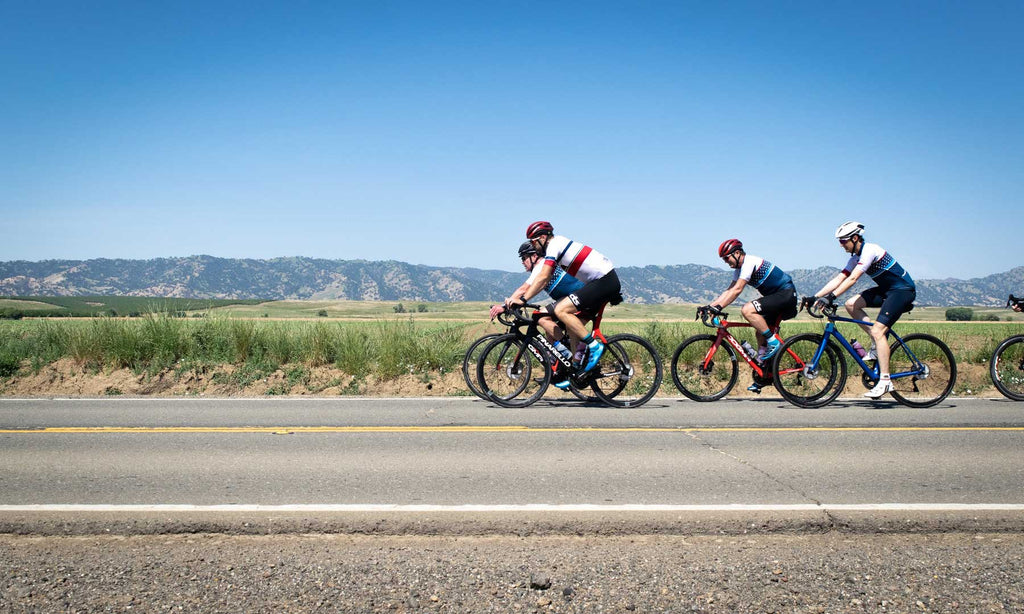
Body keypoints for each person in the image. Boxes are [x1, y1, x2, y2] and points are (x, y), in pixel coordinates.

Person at [806, 221, 916, 399]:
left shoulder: (870, 250)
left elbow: (853, 279)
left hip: (902, 291)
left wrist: (831, 297)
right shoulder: (855, 257)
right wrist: (816, 296)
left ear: (855, 238)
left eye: (843, 241)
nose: (841, 245)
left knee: (879, 331)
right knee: (851, 304)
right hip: (887, 290)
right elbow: (840, 278)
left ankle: (886, 380)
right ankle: (875, 342)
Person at [510, 221, 621, 376]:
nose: (533, 246)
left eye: (533, 242)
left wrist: (523, 300)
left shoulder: (555, 245)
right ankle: (576, 369)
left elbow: (543, 278)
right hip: (599, 282)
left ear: (542, 237)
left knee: (561, 310)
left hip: (604, 280)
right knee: (572, 326)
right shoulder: (555, 246)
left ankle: (594, 346)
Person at [490, 242, 586, 387]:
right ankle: (557, 367)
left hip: (579, 298)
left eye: (524, 258)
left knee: (541, 317)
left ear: (534, 256)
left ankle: (567, 352)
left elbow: (524, 289)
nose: (522, 262)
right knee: (548, 330)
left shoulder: (541, 265)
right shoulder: (540, 267)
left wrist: (505, 306)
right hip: (569, 299)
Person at [706, 239, 798, 392]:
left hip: (785, 294)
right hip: (776, 297)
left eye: (726, 258)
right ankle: (764, 374)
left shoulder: (749, 262)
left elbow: (737, 291)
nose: (725, 262)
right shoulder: (739, 269)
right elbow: (729, 290)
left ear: (736, 253)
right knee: (760, 330)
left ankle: (773, 342)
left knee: (747, 310)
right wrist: (711, 306)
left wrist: (719, 307)